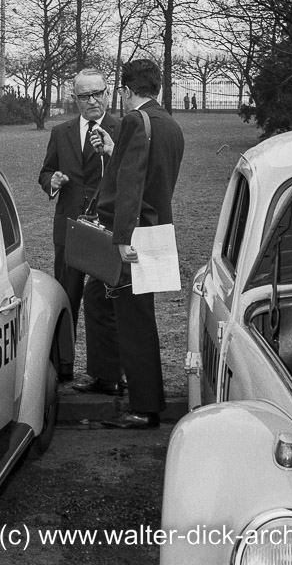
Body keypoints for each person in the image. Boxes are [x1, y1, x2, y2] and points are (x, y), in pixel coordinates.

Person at [92, 59, 184, 429]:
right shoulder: (171, 125)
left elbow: (130, 184)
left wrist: (120, 237)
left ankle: (145, 408)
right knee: (104, 299)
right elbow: (147, 175)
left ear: (127, 91)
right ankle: (111, 379)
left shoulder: (135, 121)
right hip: (157, 230)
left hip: (135, 235)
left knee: (135, 322)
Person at [38, 68, 122, 390]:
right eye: (85, 96)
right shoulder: (61, 133)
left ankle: (106, 374)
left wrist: (113, 153)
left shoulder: (121, 129)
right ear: (75, 99)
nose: (92, 101)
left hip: (107, 230)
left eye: (98, 93)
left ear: (107, 92)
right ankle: (64, 366)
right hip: (70, 229)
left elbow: (131, 173)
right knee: (67, 296)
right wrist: (53, 182)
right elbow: (45, 171)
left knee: (104, 303)